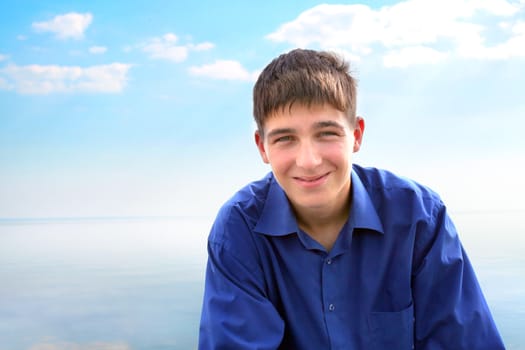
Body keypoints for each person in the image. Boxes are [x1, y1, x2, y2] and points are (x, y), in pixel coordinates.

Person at [198, 48, 505, 349]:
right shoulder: (238, 230)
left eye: (327, 133)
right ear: (262, 147)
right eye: (285, 139)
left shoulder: (420, 216)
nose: (308, 160)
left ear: (356, 135)